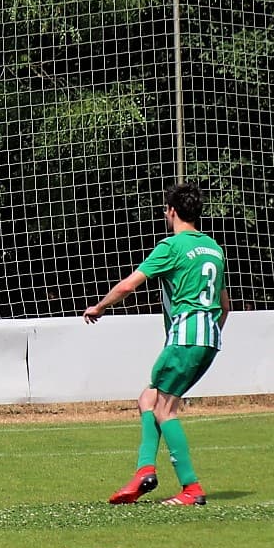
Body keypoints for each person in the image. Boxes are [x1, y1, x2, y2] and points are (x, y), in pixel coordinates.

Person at [83, 183, 231, 507]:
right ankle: (144, 471)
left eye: (166, 209)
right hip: (209, 337)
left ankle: (191, 488)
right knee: (148, 398)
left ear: (173, 211)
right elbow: (225, 306)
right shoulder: (213, 249)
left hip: (185, 336)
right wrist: (208, 333)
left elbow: (128, 285)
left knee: (164, 409)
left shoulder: (171, 246)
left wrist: (99, 307)